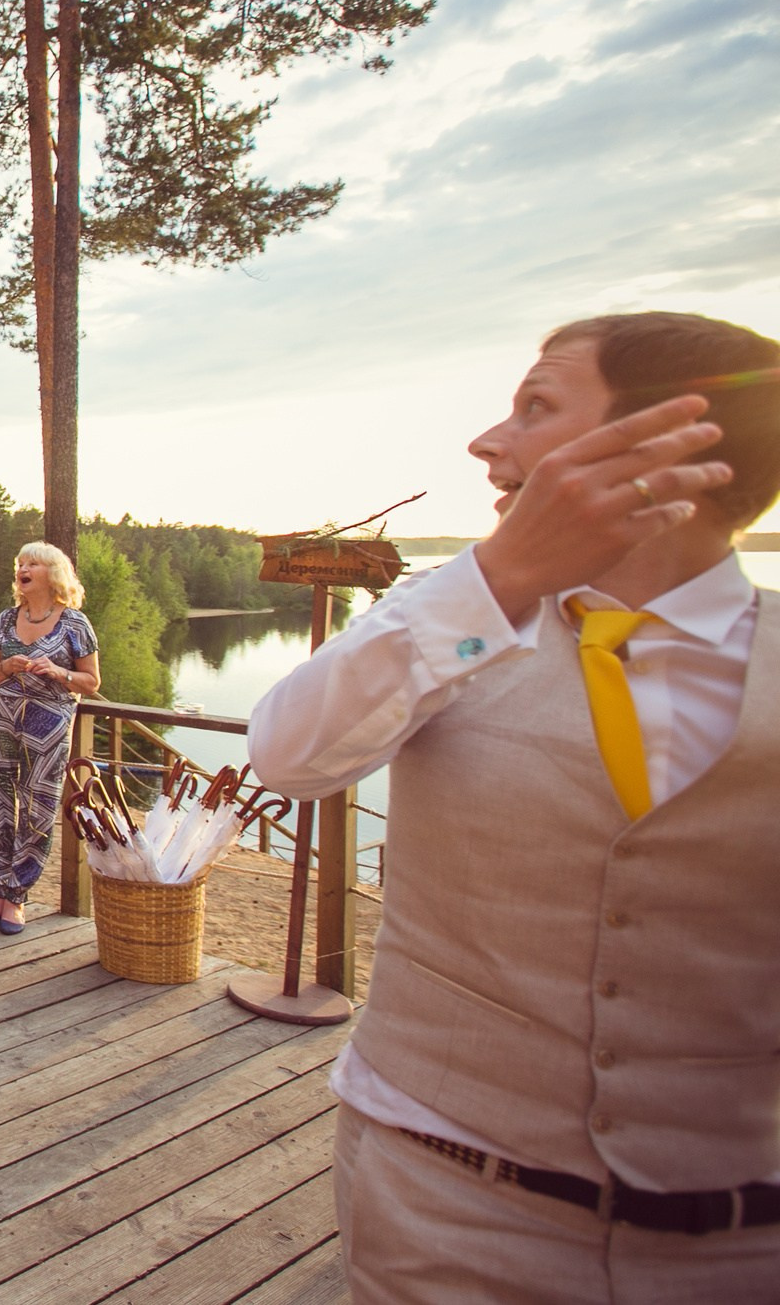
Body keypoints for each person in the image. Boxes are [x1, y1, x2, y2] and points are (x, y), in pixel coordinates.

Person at [247, 312, 780, 1301]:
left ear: (665, 439)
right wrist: (489, 579)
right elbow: (287, 754)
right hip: (442, 1211)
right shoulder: (457, 629)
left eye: (533, 406)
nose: (486, 441)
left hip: (742, 1246)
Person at [0, 542, 100, 934]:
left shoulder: (75, 623)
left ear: (53, 573)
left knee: (38, 804)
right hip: (2, 718)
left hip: (49, 723)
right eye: (20, 563)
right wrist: (8, 666)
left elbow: (92, 682)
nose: (23, 569)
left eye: (32, 564)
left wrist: (59, 674)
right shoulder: (6, 619)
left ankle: (17, 896)